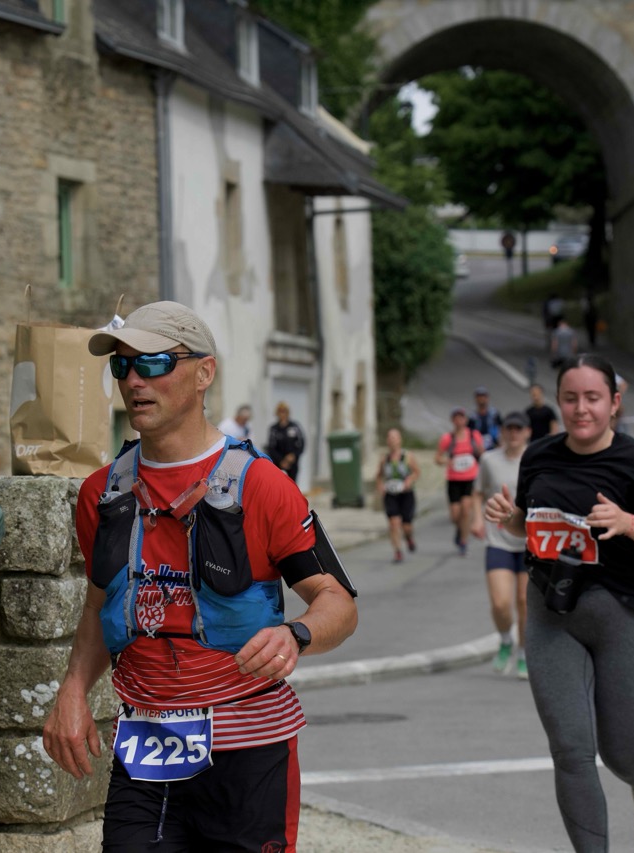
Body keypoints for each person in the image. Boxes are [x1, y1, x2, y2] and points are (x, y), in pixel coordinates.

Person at [42, 301, 357, 851]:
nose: (134, 380)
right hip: (145, 749)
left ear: (204, 372)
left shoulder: (261, 485)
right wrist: (72, 689)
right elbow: (99, 605)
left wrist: (296, 633)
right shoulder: (102, 493)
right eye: (122, 366)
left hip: (249, 749)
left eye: (154, 363)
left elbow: (337, 600)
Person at [483, 354, 634, 853]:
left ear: (614, 403)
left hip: (625, 616)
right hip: (552, 614)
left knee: (624, 754)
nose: (581, 409)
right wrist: (510, 518)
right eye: (571, 398)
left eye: (593, 398)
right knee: (571, 751)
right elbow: (530, 523)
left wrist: (628, 522)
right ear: (559, 401)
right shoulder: (539, 455)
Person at [470, 410, 531, 679]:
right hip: (498, 539)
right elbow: (478, 492)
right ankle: (506, 639)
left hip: (529, 541)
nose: (514, 433)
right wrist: (476, 518)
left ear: (528, 432)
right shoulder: (489, 460)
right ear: (503, 431)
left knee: (524, 602)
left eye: (519, 429)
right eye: (509, 428)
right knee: (500, 603)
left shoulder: (534, 460)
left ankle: (524, 652)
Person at [434, 407, 484, 557]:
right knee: (455, 515)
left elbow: (482, 453)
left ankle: (463, 541)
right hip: (454, 479)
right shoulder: (447, 438)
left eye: (461, 417)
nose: (459, 421)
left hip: (470, 478)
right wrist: (446, 461)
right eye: (456, 418)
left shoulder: (474, 435)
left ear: (465, 420)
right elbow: (437, 458)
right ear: (452, 420)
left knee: (466, 509)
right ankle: (460, 529)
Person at [375, 428, 421, 563]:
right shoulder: (385, 459)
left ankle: (409, 538)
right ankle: (397, 551)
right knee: (393, 523)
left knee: (406, 526)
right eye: (390, 438)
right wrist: (380, 487)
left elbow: (417, 472)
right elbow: (379, 476)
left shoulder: (408, 456)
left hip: (406, 494)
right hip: (391, 495)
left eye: (394, 438)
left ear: (400, 440)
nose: (392, 441)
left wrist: (409, 480)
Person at [265, 402, 306, 484]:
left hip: (292, 463)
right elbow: (271, 447)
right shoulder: (274, 429)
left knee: (292, 484)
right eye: (280, 411)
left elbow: (301, 443)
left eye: (284, 411)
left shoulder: (294, 427)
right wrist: (281, 460)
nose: (282, 414)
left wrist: (293, 455)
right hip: (278, 463)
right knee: (278, 484)